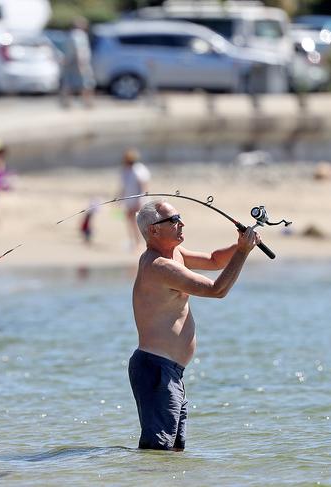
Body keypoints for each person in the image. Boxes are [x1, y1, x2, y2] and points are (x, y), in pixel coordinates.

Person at [128, 199, 261, 451]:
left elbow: (213, 260)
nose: (181, 223)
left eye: (179, 217)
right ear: (154, 230)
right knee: (156, 453)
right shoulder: (159, 266)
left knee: (174, 453)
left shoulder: (175, 254)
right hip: (156, 370)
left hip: (171, 372)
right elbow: (217, 289)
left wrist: (243, 244)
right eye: (173, 220)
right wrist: (242, 252)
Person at [60, 17, 95, 108]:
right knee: (86, 83)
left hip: (70, 62)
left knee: (69, 82)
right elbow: (79, 49)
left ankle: (67, 103)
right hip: (79, 62)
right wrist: (81, 64)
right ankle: (87, 103)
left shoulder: (70, 34)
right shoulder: (80, 35)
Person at [119, 149, 151, 249]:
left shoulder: (139, 169)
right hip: (129, 201)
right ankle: (134, 242)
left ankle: (141, 243)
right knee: (130, 221)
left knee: (140, 223)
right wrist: (119, 198)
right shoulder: (125, 170)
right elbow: (123, 187)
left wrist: (140, 200)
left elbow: (144, 186)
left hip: (139, 201)